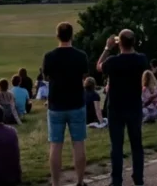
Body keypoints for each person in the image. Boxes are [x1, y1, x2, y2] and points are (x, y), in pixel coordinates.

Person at [98, 29, 149, 186]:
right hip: (134, 106)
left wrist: (107, 48)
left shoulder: (113, 61)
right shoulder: (141, 59)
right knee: (136, 144)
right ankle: (138, 177)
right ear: (133, 43)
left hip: (116, 107)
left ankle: (116, 180)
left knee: (117, 146)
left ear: (119, 43)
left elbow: (99, 66)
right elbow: (138, 57)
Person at [42, 22, 88, 186]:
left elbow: (47, 77)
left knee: (55, 145)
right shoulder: (81, 56)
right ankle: (80, 181)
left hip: (56, 105)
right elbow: (84, 75)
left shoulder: (49, 56)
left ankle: (55, 183)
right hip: (76, 103)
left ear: (57, 36)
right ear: (72, 36)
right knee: (78, 143)